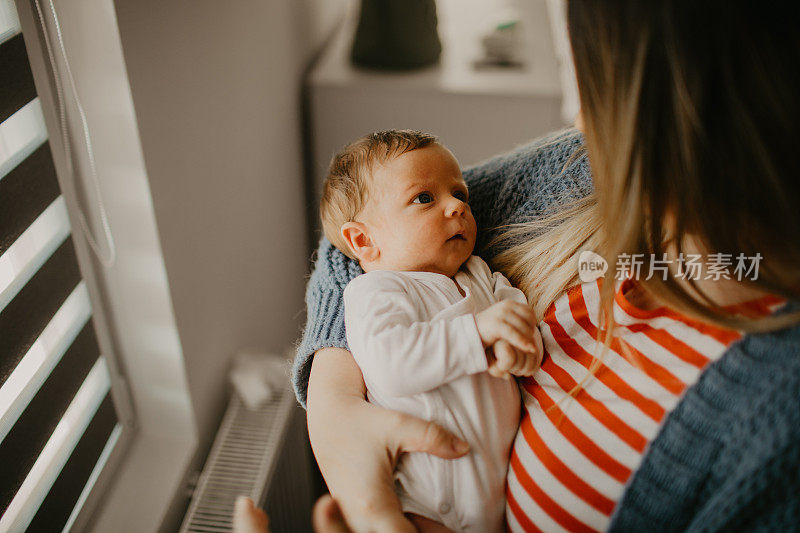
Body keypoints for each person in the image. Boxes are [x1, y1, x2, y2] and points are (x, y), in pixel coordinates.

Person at [288, 1, 800, 531]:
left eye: (597, 82)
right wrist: (335, 412)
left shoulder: (776, 429)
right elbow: (357, 237)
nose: (579, 119)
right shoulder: (582, 167)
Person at [320, 130, 543, 531]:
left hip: (491, 498)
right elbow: (391, 364)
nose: (456, 206)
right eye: (424, 198)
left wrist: (520, 343)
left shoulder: (479, 273)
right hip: (427, 504)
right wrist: (478, 333)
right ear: (364, 240)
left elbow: (515, 312)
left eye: (460, 194)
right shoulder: (375, 291)